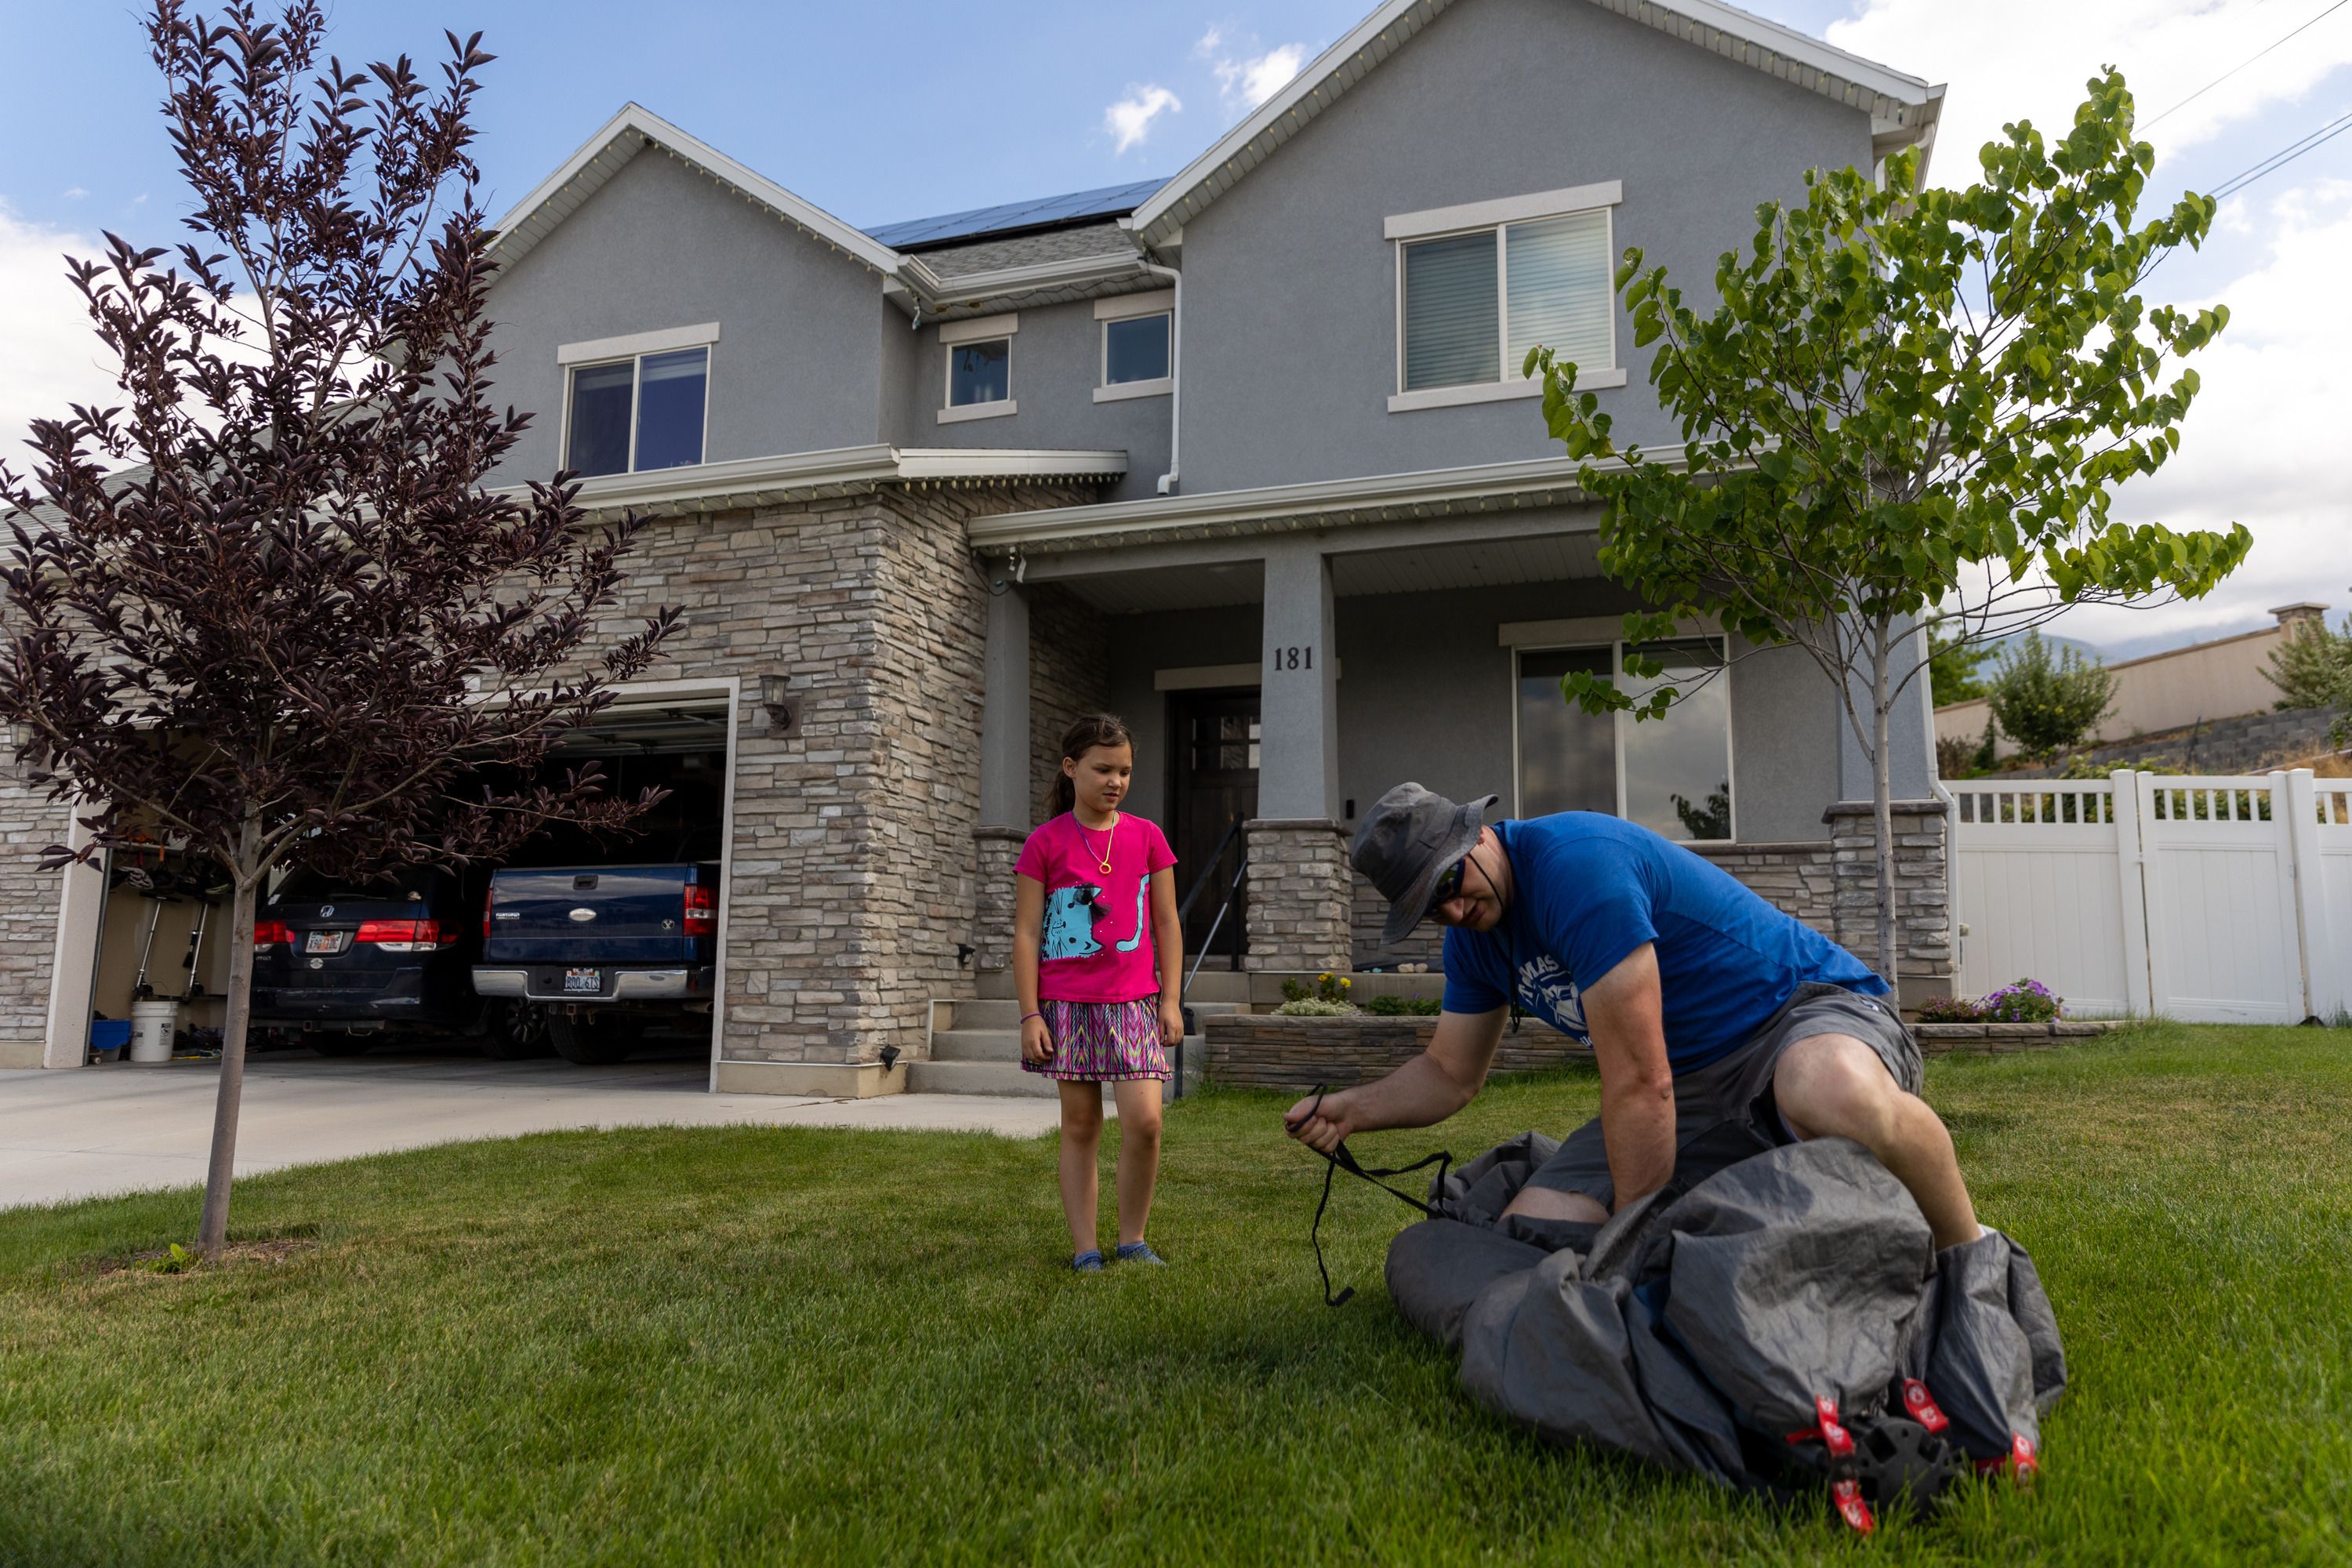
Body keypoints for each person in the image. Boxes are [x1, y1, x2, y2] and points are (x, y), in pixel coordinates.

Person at [1284, 784, 1981, 1250]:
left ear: (1480, 835)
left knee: (1825, 1086)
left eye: (1452, 883)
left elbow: (1642, 1085)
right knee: (1531, 1230)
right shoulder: (1472, 941)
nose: (1455, 911)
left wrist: (1629, 1233)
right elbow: (1449, 1073)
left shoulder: (1576, 869)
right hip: (1698, 1082)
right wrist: (1353, 1110)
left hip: (1803, 1016)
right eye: (1430, 908)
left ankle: (1968, 1257)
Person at [1014, 713, 1185, 1272]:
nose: (1115, 781)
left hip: (1135, 1000)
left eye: (1125, 771)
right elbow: (1026, 932)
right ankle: (1086, 1249)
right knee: (1082, 1124)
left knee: (1146, 1121)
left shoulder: (1147, 837)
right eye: (1103, 769)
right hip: (1067, 1003)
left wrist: (1170, 998)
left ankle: (1132, 1239)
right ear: (1071, 769)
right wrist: (1029, 1015)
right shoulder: (1045, 843)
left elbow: (1166, 924)